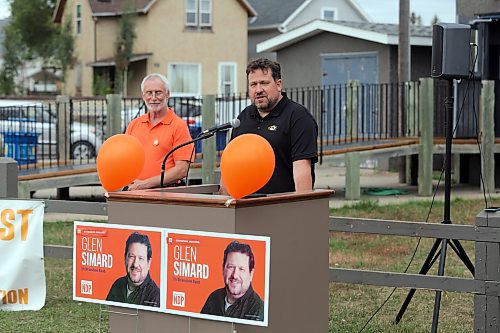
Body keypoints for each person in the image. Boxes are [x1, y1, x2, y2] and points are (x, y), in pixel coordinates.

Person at [220, 58, 318, 195]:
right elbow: (230, 164)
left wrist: (300, 208)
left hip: (279, 206)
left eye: (264, 83)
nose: (258, 90)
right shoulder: (244, 117)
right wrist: (225, 204)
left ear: (278, 85)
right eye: (253, 84)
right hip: (245, 207)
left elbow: (301, 168)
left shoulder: (298, 117)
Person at [125, 73, 194, 190]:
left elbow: (182, 170)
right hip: (134, 191)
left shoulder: (179, 126)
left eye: (158, 92)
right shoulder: (134, 125)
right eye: (149, 93)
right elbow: (124, 160)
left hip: (166, 193)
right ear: (143, 96)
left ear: (167, 95)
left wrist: (145, 184)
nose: (153, 97)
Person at [200, 241, 264, 321]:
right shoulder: (214, 298)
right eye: (231, 267)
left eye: (241, 269)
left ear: (251, 274)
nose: (235, 275)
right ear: (223, 269)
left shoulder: (259, 310)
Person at [106, 232, 160, 307]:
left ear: (149, 263)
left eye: (141, 258)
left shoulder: (155, 296)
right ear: (125, 258)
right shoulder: (117, 285)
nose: (135, 264)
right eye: (131, 256)